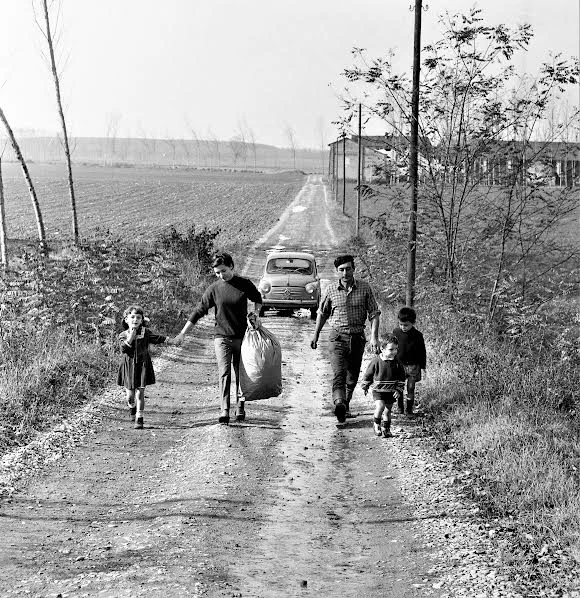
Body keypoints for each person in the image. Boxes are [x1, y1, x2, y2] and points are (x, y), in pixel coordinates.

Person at [174, 252, 262, 425]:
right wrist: (183, 333)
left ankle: (240, 406)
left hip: (243, 337)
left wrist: (256, 313)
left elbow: (257, 298)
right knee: (224, 373)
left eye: (223, 271)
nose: (221, 275)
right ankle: (224, 409)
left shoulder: (244, 284)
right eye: (217, 273)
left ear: (231, 267)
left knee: (242, 373)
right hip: (221, 337)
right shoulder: (214, 289)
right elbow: (199, 311)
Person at [310, 254, 381, 423]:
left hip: (357, 338)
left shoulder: (364, 288)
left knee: (352, 376)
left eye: (348, 269)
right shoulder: (331, 290)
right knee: (339, 373)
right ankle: (339, 403)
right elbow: (322, 313)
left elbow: (374, 313)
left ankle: (345, 405)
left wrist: (374, 337)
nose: (345, 273)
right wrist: (315, 335)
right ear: (336, 271)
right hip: (337, 338)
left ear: (354, 269)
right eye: (341, 270)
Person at [118, 305, 173, 429]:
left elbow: (157, 338)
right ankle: (132, 407)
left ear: (142, 320)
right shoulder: (123, 334)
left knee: (140, 393)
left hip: (142, 365)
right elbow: (123, 349)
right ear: (126, 319)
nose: (135, 320)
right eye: (132, 317)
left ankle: (139, 418)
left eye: (138, 317)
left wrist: (171, 340)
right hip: (129, 367)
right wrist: (131, 336)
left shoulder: (145, 332)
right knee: (130, 396)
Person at [360, 335, 406, 438]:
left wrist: (398, 390)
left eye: (396, 349)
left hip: (391, 390)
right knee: (380, 406)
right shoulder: (376, 361)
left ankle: (386, 428)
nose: (394, 352)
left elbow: (402, 377)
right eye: (391, 349)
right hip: (378, 390)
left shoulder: (397, 362)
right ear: (382, 349)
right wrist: (365, 385)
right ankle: (376, 424)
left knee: (388, 410)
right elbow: (368, 374)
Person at [392, 306, 427, 416]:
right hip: (399, 365)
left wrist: (423, 366)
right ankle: (400, 407)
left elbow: (422, 351)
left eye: (406, 325)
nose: (403, 327)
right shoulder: (396, 332)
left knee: (411, 387)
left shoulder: (418, 335)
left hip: (413, 365)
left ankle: (409, 409)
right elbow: (391, 347)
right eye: (401, 324)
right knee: (399, 387)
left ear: (413, 323)